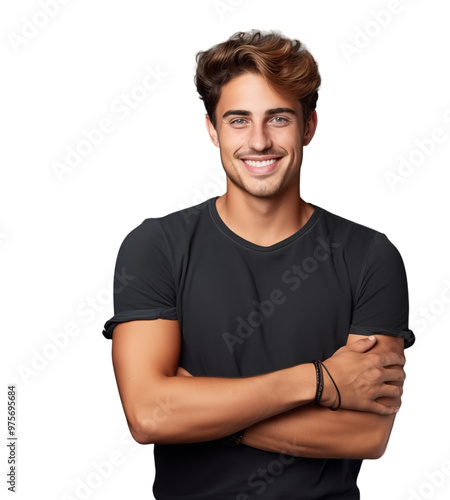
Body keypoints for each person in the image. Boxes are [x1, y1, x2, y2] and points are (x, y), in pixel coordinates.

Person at [102, 29, 415, 499]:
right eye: (238, 120)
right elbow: (149, 416)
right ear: (213, 130)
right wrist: (319, 381)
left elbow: (366, 435)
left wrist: (207, 411)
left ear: (308, 126)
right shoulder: (156, 247)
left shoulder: (369, 256)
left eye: (279, 118)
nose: (260, 141)